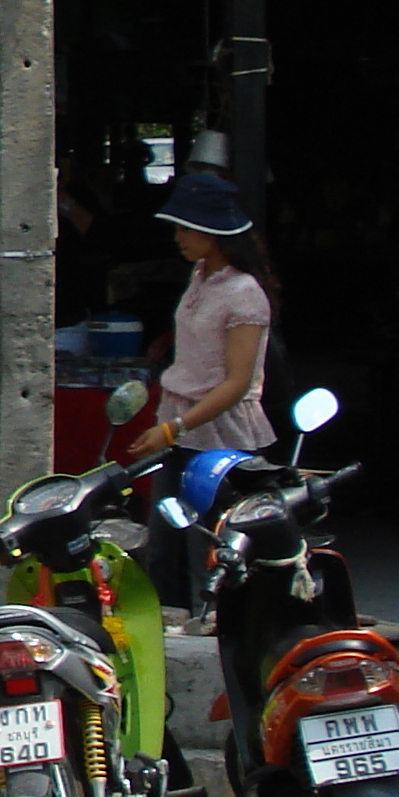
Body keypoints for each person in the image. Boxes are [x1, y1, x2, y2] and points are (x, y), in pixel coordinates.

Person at [122, 171, 278, 618]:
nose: (178, 237)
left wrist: (172, 428)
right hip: (178, 432)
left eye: (186, 228)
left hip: (218, 440)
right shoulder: (200, 275)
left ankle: (212, 641)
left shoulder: (245, 293)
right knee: (163, 547)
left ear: (215, 232)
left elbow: (236, 383)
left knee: (206, 553)